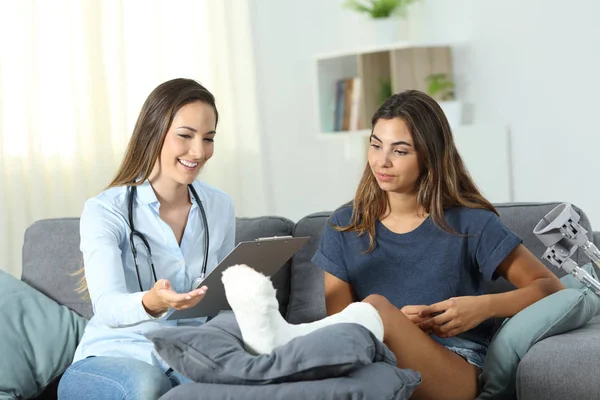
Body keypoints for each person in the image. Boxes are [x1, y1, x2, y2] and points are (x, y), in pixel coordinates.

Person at [219, 90, 565, 400]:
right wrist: (396, 326)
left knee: (375, 307)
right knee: (364, 334)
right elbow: (341, 327)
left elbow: (552, 288)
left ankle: (280, 343)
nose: (381, 161)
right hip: (375, 361)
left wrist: (480, 307)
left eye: (399, 151)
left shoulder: (470, 222)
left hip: (457, 368)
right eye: (375, 144)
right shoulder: (345, 224)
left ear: (429, 156)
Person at [58, 78, 235, 400]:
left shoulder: (219, 206)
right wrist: (151, 303)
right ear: (153, 133)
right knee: (146, 385)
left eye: (208, 139)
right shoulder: (105, 210)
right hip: (113, 357)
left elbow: (221, 300)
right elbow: (108, 306)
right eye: (185, 135)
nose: (199, 151)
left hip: (185, 353)